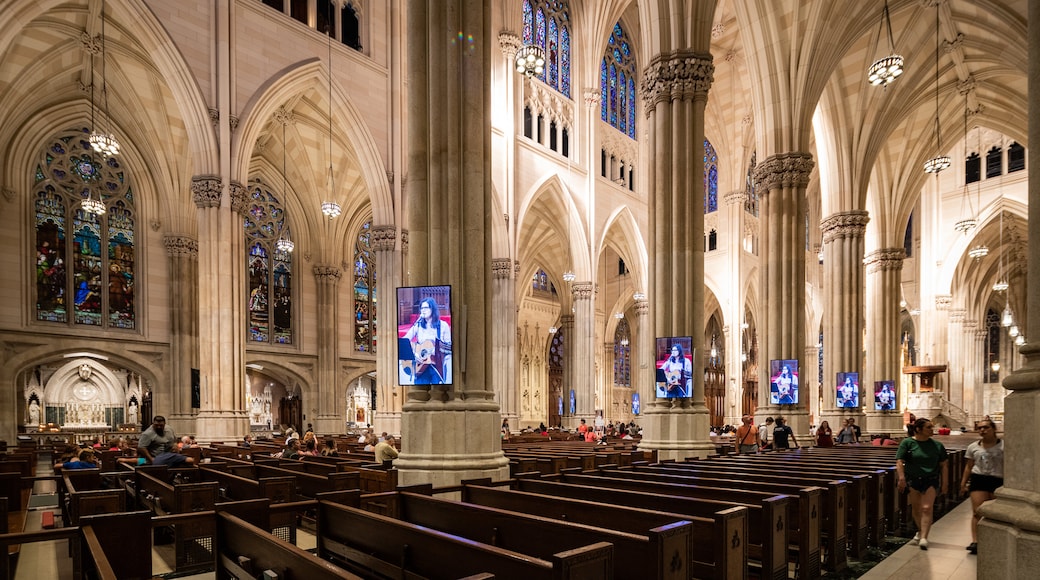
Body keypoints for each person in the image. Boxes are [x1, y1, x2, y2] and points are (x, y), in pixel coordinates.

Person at [896, 417, 948, 550]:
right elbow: (899, 461)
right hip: (913, 478)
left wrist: (945, 483)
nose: (932, 430)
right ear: (918, 429)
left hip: (931, 478)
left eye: (932, 427)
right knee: (916, 508)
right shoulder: (907, 443)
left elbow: (944, 465)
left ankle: (924, 537)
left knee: (926, 508)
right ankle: (920, 530)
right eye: (929, 427)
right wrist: (901, 478)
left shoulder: (937, 445)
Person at [959, 418, 1003, 554]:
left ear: (994, 429)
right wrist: (963, 483)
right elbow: (969, 466)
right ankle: (976, 541)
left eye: (986, 427)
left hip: (998, 479)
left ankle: (996, 540)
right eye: (979, 428)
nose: (982, 430)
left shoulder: (1004, 446)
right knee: (977, 511)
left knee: (997, 513)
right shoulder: (973, 447)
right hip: (979, 479)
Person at [403, 297, 452, 385]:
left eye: (426, 308)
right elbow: (405, 341)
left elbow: (449, 348)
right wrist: (414, 353)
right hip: (420, 366)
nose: (423, 310)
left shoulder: (443, 326)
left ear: (433, 309)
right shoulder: (418, 325)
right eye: (421, 308)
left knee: (437, 393)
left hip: (436, 366)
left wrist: (441, 355)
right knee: (419, 392)